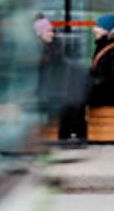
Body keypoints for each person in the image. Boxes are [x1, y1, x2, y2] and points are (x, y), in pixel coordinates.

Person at [36, 14, 86, 148]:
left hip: (55, 87)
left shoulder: (54, 47)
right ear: (39, 33)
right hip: (43, 90)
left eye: (52, 30)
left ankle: (76, 136)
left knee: (75, 99)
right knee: (68, 101)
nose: (51, 33)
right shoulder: (36, 51)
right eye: (48, 31)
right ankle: (67, 137)